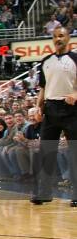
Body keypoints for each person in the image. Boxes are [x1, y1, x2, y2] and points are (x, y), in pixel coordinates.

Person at [33, 27, 77, 207]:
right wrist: (38, 107)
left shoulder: (75, 59)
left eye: (61, 36)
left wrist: (75, 94)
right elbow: (43, 88)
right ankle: (44, 193)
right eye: (55, 36)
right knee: (46, 151)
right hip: (50, 109)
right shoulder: (45, 61)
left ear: (68, 38)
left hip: (72, 109)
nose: (58, 39)